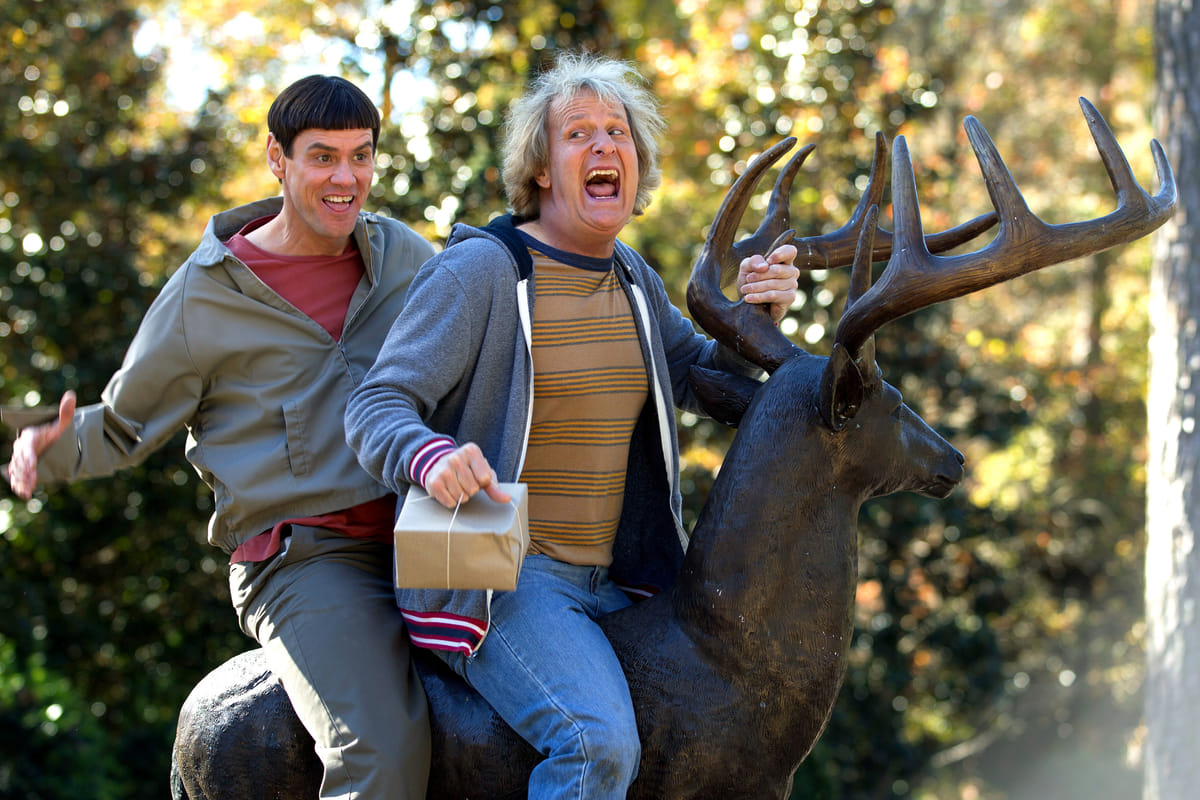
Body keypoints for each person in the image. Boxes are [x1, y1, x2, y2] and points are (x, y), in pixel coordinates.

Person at [344, 52, 800, 798]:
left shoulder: (632, 277)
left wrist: (757, 316)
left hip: (621, 581)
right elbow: (374, 405)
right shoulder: (482, 272)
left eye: (617, 132)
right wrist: (429, 457)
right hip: (498, 576)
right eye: (578, 133)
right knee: (594, 745)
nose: (603, 146)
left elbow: (700, 378)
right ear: (541, 170)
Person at [4, 75, 433, 799]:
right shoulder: (205, 292)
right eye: (323, 157)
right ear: (277, 158)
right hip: (307, 557)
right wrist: (49, 450)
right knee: (381, 753)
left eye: (360, 156)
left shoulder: (403, 257)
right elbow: (123, 424)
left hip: (429, 536)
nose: (346, 178)